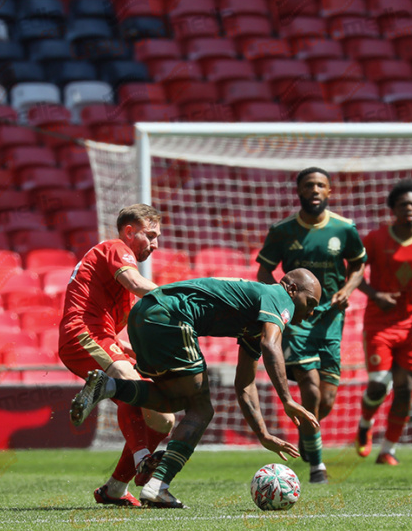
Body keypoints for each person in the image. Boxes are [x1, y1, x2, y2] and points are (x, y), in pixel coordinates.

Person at [71, 269, 323, 508]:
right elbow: (271, 345)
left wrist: (263, 435)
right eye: (310, 302)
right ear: (291, 288)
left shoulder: (255, 319)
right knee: (201, 409)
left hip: (144, 314)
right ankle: (158, 486)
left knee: (175, 400)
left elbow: (245, 384)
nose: (311, 312)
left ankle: (110, 386)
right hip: (171, 315)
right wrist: (288, 400)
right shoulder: (278, 298)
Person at [58, 204, 176, 507]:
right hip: (81, 334)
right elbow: (138, 284)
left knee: (163, 418)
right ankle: (142, 459)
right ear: (129, 231)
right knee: (129, 382)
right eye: (150, 236)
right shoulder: (115, 248)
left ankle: (115, 489)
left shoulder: (117, 288)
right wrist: (181, 301)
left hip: (105, 340)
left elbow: (116, 330)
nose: (156, 244)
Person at [255, 167, 367, 484]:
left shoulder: (345, 229)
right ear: (299, 191)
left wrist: (348, 288)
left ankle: (308, 434)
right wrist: (282, 298)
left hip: (331, 322)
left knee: (326, 400)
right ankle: (318, 466)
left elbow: (358, 264)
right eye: (309, 185)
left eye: (321, 185)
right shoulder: (282, 231)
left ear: (329, 192)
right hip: (298, 323)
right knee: (311, 389)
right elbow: (264, 271)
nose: (315, 190)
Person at [355, 180, 412, 465]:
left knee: (405, 389)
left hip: (411, 327)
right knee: (379, 385)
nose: (408, 208)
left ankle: (388, 450)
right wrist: (375, 294)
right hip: (379, 325)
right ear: (393, 209)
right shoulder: (374, 239)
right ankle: (365, 422)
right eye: (402, 204)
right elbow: (355, 274)